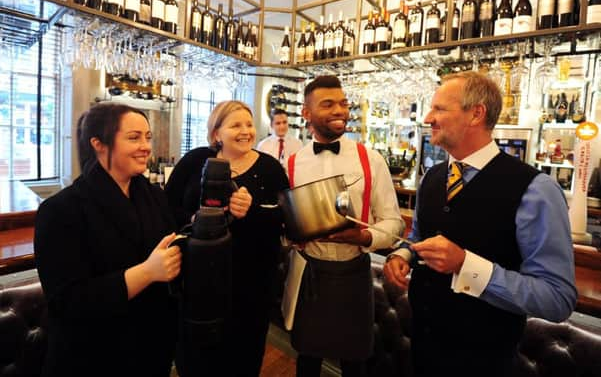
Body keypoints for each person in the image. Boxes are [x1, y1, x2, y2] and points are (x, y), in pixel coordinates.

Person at [383, 71, 577, 377]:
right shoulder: (432, 177)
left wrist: (465, 264)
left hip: (485, 362)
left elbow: (557, 298)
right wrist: (402, 254)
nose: (428, 118)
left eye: (439, 109)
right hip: (422, 349)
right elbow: (419, 236)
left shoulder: (536, 189)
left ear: (476, 114)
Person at [34, 103, 182, 377]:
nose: (146, 146)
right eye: (134, 137)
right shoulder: (61, 211)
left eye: (148, 137)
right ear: (98, 143)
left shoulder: (154, 196)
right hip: (93, 357)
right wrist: (147, 272)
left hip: (151, 350)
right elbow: (68, 302)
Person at [286, 75, 404, 377]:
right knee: (307, 359)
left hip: (354, 273)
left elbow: (394, 224)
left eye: (343, 103)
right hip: (309, 274)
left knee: (355, 362)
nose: (339, 110)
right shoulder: (291, 163)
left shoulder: (371, 159)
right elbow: (284, 225)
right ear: (306, 113)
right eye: (328, 104)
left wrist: (364, 235)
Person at [164, 100, 289, 376]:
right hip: (197, 280)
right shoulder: (195, 161)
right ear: (216, 133)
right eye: (235, 125)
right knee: (196, 357)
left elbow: (286, 220)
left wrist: (251, 211)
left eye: (249, 124)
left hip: (251, 285)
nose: (245, 131)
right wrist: (194, 220)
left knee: (242, 357)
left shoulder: (270, 169)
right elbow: (165, 209)